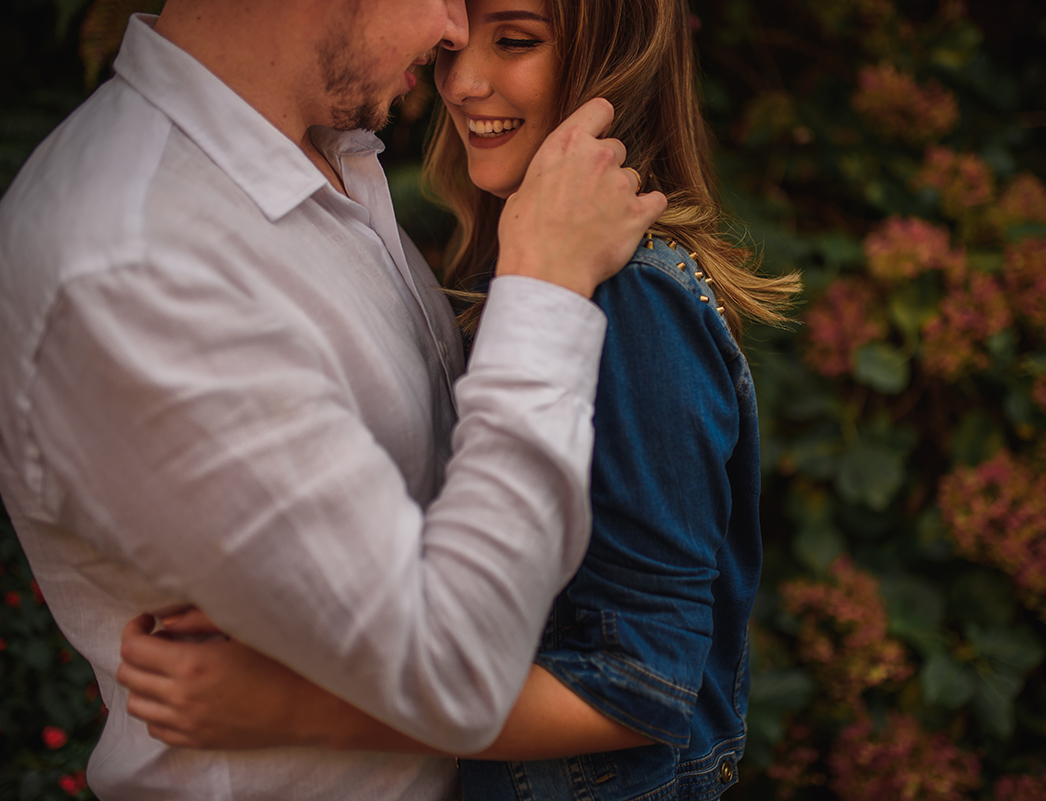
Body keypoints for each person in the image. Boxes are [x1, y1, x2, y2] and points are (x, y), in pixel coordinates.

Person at [116, 0, 802, 798]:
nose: (462, 82)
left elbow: (640, 688)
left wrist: (289, 705)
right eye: (456, 45)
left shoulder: (633, 297)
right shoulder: (521, 261)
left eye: (515, 40)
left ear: (617, 56)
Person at [0, 0, 666, 797]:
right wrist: (545, 287)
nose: (454, 32)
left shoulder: (317, 159)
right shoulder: (134, 263)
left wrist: (295, 702)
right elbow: (454, 669)